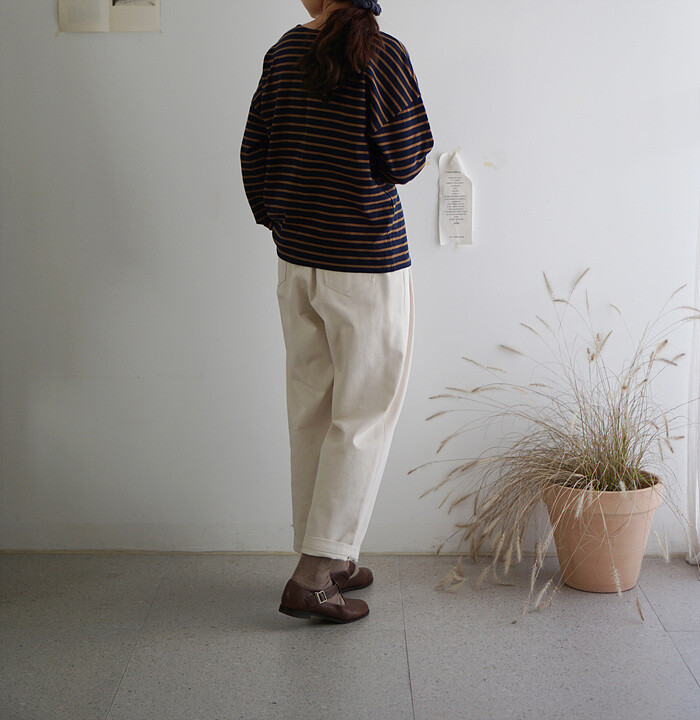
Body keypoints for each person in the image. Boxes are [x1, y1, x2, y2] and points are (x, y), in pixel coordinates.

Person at [240, 0, 433, 623]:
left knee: (313, 412)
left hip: (298, 260)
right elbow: (406, 159)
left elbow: (254, 150)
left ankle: (330, 555)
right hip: (366, 260)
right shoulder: (382, 51)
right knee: (364, 415)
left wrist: (281, 218)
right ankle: (314, 574)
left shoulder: (282, 51)